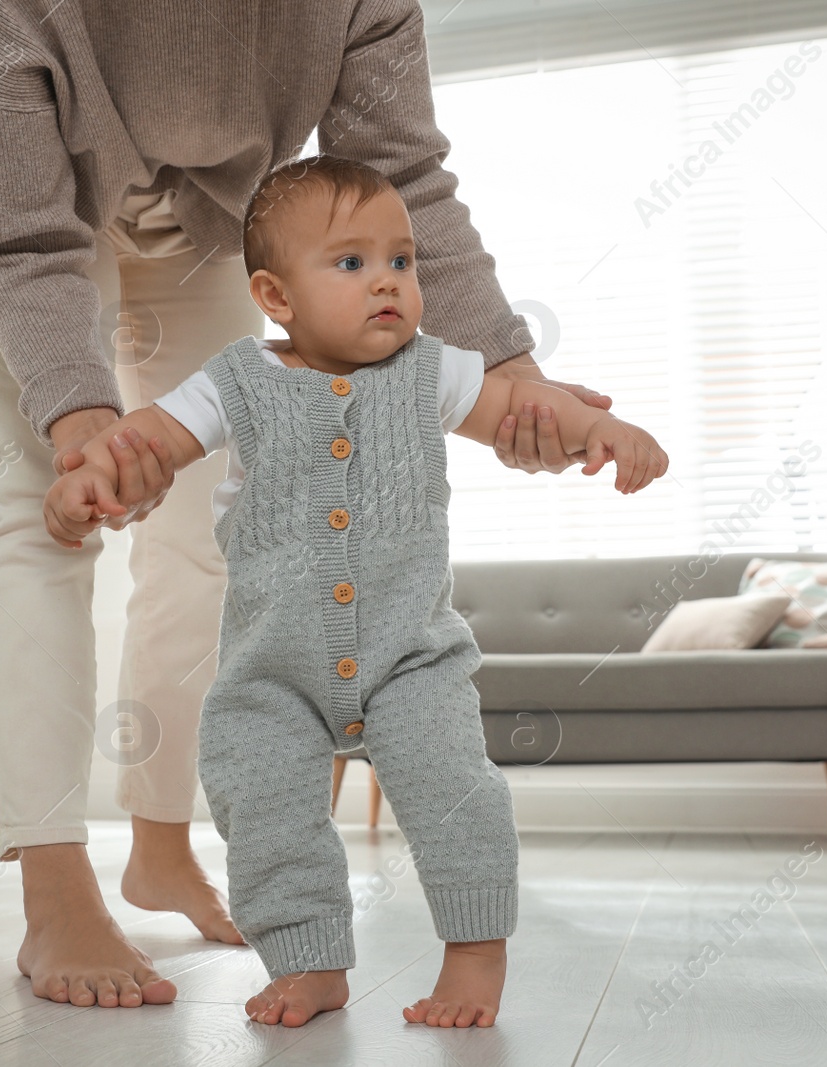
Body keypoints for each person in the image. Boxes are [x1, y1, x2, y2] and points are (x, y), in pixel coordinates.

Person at [0, 0, 617, 1010]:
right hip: (41, 218)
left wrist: (515, 375)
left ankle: (161, 846)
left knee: (216, 532)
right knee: (40, 501)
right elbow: (27, 234)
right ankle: (56, 891)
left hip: (223, 225)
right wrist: (83, 425)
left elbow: (401, 185)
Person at [46, 155, 668, 1028]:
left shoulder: (435, 371)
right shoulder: (236, 381)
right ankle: (309, 963)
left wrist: (600, 428)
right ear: (275, 293)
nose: (388, 282)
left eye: (402, 261)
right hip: (271, 673)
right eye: (351, 264)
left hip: (412, 658)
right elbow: (152, 435)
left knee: (458, 795)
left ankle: (474, 957)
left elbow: (522, 410)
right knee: (263, 809)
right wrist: (97, 471)